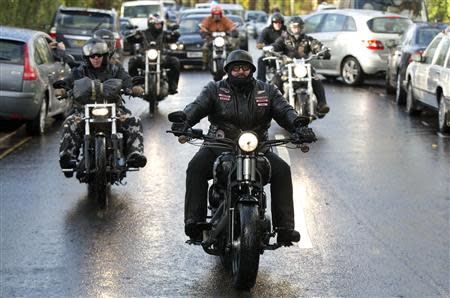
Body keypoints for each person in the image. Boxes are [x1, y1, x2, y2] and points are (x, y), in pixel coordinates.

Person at [172, 49, 316, 246]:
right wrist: (184, 121)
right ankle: (194, 224)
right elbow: (197, 106)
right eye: (236, 68)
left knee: (282, 170)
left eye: (245, 68)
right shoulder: (214, 89)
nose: (241, 72)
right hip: (219, 144)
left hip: (258, 146)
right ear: (228, 70)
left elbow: (285, 110)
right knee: (195, 167)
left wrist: (299, 126)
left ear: (252, 70)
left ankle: (285, 229)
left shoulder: (267, 90)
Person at [55, 38, 147, 176]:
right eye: (92, 56)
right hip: (84, 111)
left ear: (105, 56)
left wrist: (134, 88)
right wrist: (62, 89)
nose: (96, 58)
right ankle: (67, 158)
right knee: (70, 122)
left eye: (99, 55)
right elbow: (68, 82)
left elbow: (127, 81)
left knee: (134, 120)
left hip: (114, 110)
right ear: (87, 58)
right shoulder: (80, 71)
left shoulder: (116, 70)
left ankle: (135, 154)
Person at [271, 16, 330, 117]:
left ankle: (321, 104)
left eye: (299, 27)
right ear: (290, 28)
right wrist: (271, 51)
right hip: (288, 66)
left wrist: (323, 50)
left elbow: (316, 45)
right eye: (294, 27)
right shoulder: (284, 39)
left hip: (304, 66)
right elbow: (275, 47)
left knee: (316, 78)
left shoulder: (306, 39)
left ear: (302, 28)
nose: (297, 29)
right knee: (276, 79)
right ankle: (273, 106)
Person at [128, 14, 181, 94]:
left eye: (160, 24)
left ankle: (172, 86)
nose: (159, 26)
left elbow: (172, 38)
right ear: (151, 24)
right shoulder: (143, 33)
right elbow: (130, 39)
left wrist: (175, 35)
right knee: (132, 61)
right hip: (144, 58)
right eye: (157, 24)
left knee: (175, 61)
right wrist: (132, 35)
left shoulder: (164, 34)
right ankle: (135, 84)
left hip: (161, 58)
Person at [256, 12, 286, 81]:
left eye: (280, 22)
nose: (278, 24)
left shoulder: (286, 31)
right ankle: (261, 83)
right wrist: (265, 46)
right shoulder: (266, 31)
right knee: (261, 60)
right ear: (272, 22)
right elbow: (259, 43)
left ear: (282, 23)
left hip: (284, 56)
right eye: (275, 22)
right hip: (270, 55)